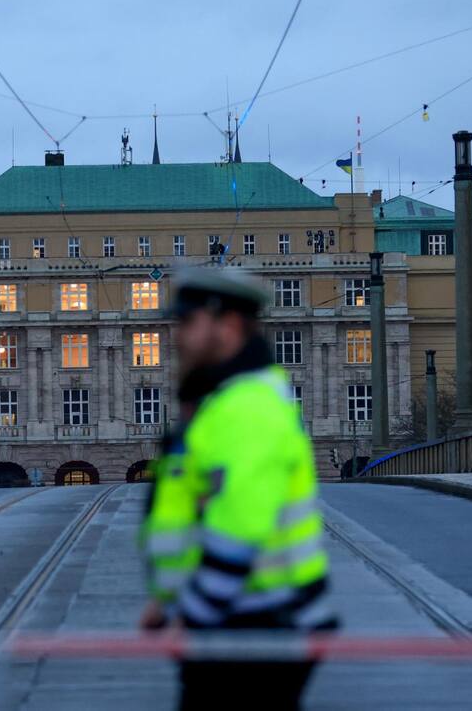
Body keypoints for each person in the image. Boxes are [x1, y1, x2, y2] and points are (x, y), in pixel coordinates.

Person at [140, 267, 336, 710]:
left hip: (258, 624)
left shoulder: (248, 407)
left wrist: (192, 615)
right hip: (241, 620)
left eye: (187, 323)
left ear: (226, 325)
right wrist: (166, 598)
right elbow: (194, 508)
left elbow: (239, 528)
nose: (177, 337)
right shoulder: (225, 400)